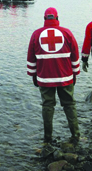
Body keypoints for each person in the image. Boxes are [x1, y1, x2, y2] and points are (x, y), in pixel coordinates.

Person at [27, 7, 81, 144]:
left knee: (47, 106)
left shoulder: (36, 34)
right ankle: (75, 135)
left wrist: (33, 75)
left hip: (44, 79)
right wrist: (75, 73)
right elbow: (75, 54)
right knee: (69, 105)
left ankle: (48, 138)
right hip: (65, 77)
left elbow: (31, 58)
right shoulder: (67, 33)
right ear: (57, 18)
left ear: (44, 19)